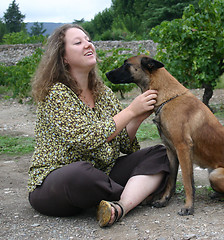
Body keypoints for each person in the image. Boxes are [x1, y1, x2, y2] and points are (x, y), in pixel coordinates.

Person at [27, 24, 170, 227]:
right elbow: (86, 139)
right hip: (57, 182)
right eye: (78, 42)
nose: (88, 45)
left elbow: (122, 144)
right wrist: (129, 111)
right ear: (63, 57)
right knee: (81, 174)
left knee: (161, 154)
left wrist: (137, 117)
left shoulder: (103, 93)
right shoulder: (56, 93)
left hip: (102, 173)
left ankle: (120, 207)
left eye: (88, 40)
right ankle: (138, 191)